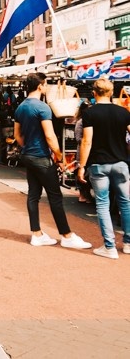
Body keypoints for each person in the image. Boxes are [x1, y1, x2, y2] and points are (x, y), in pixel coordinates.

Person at [13, 73, 91, 250]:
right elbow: (49, 135)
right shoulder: (42, 107)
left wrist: (28, 147)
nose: (47, 87)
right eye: (46, 84)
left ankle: (37, 234)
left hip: (28, 155)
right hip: (41, 156)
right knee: (55, 196)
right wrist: (60, 157)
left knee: (33, 194)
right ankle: (66, 235)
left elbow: (17, 135)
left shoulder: (20, 107)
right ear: (41, 86)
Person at [77, 77, 130, 259]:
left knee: (102, 203)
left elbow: (87, 141)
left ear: (94, 93)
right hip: (121, 163)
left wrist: (81, 166)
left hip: (99, 164)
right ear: (111, 92)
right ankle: (129, 243)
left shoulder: (90, 114)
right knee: (125, 202)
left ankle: (109, 246)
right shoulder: (123, 112)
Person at [74, 100, 93, 203]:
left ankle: (87, 194)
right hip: (83, 149)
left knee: (87, 173)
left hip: (89, 149)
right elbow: (78, 138)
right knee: (81, 171)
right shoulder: (80, 122)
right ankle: (83, 194)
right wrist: (88, 141)